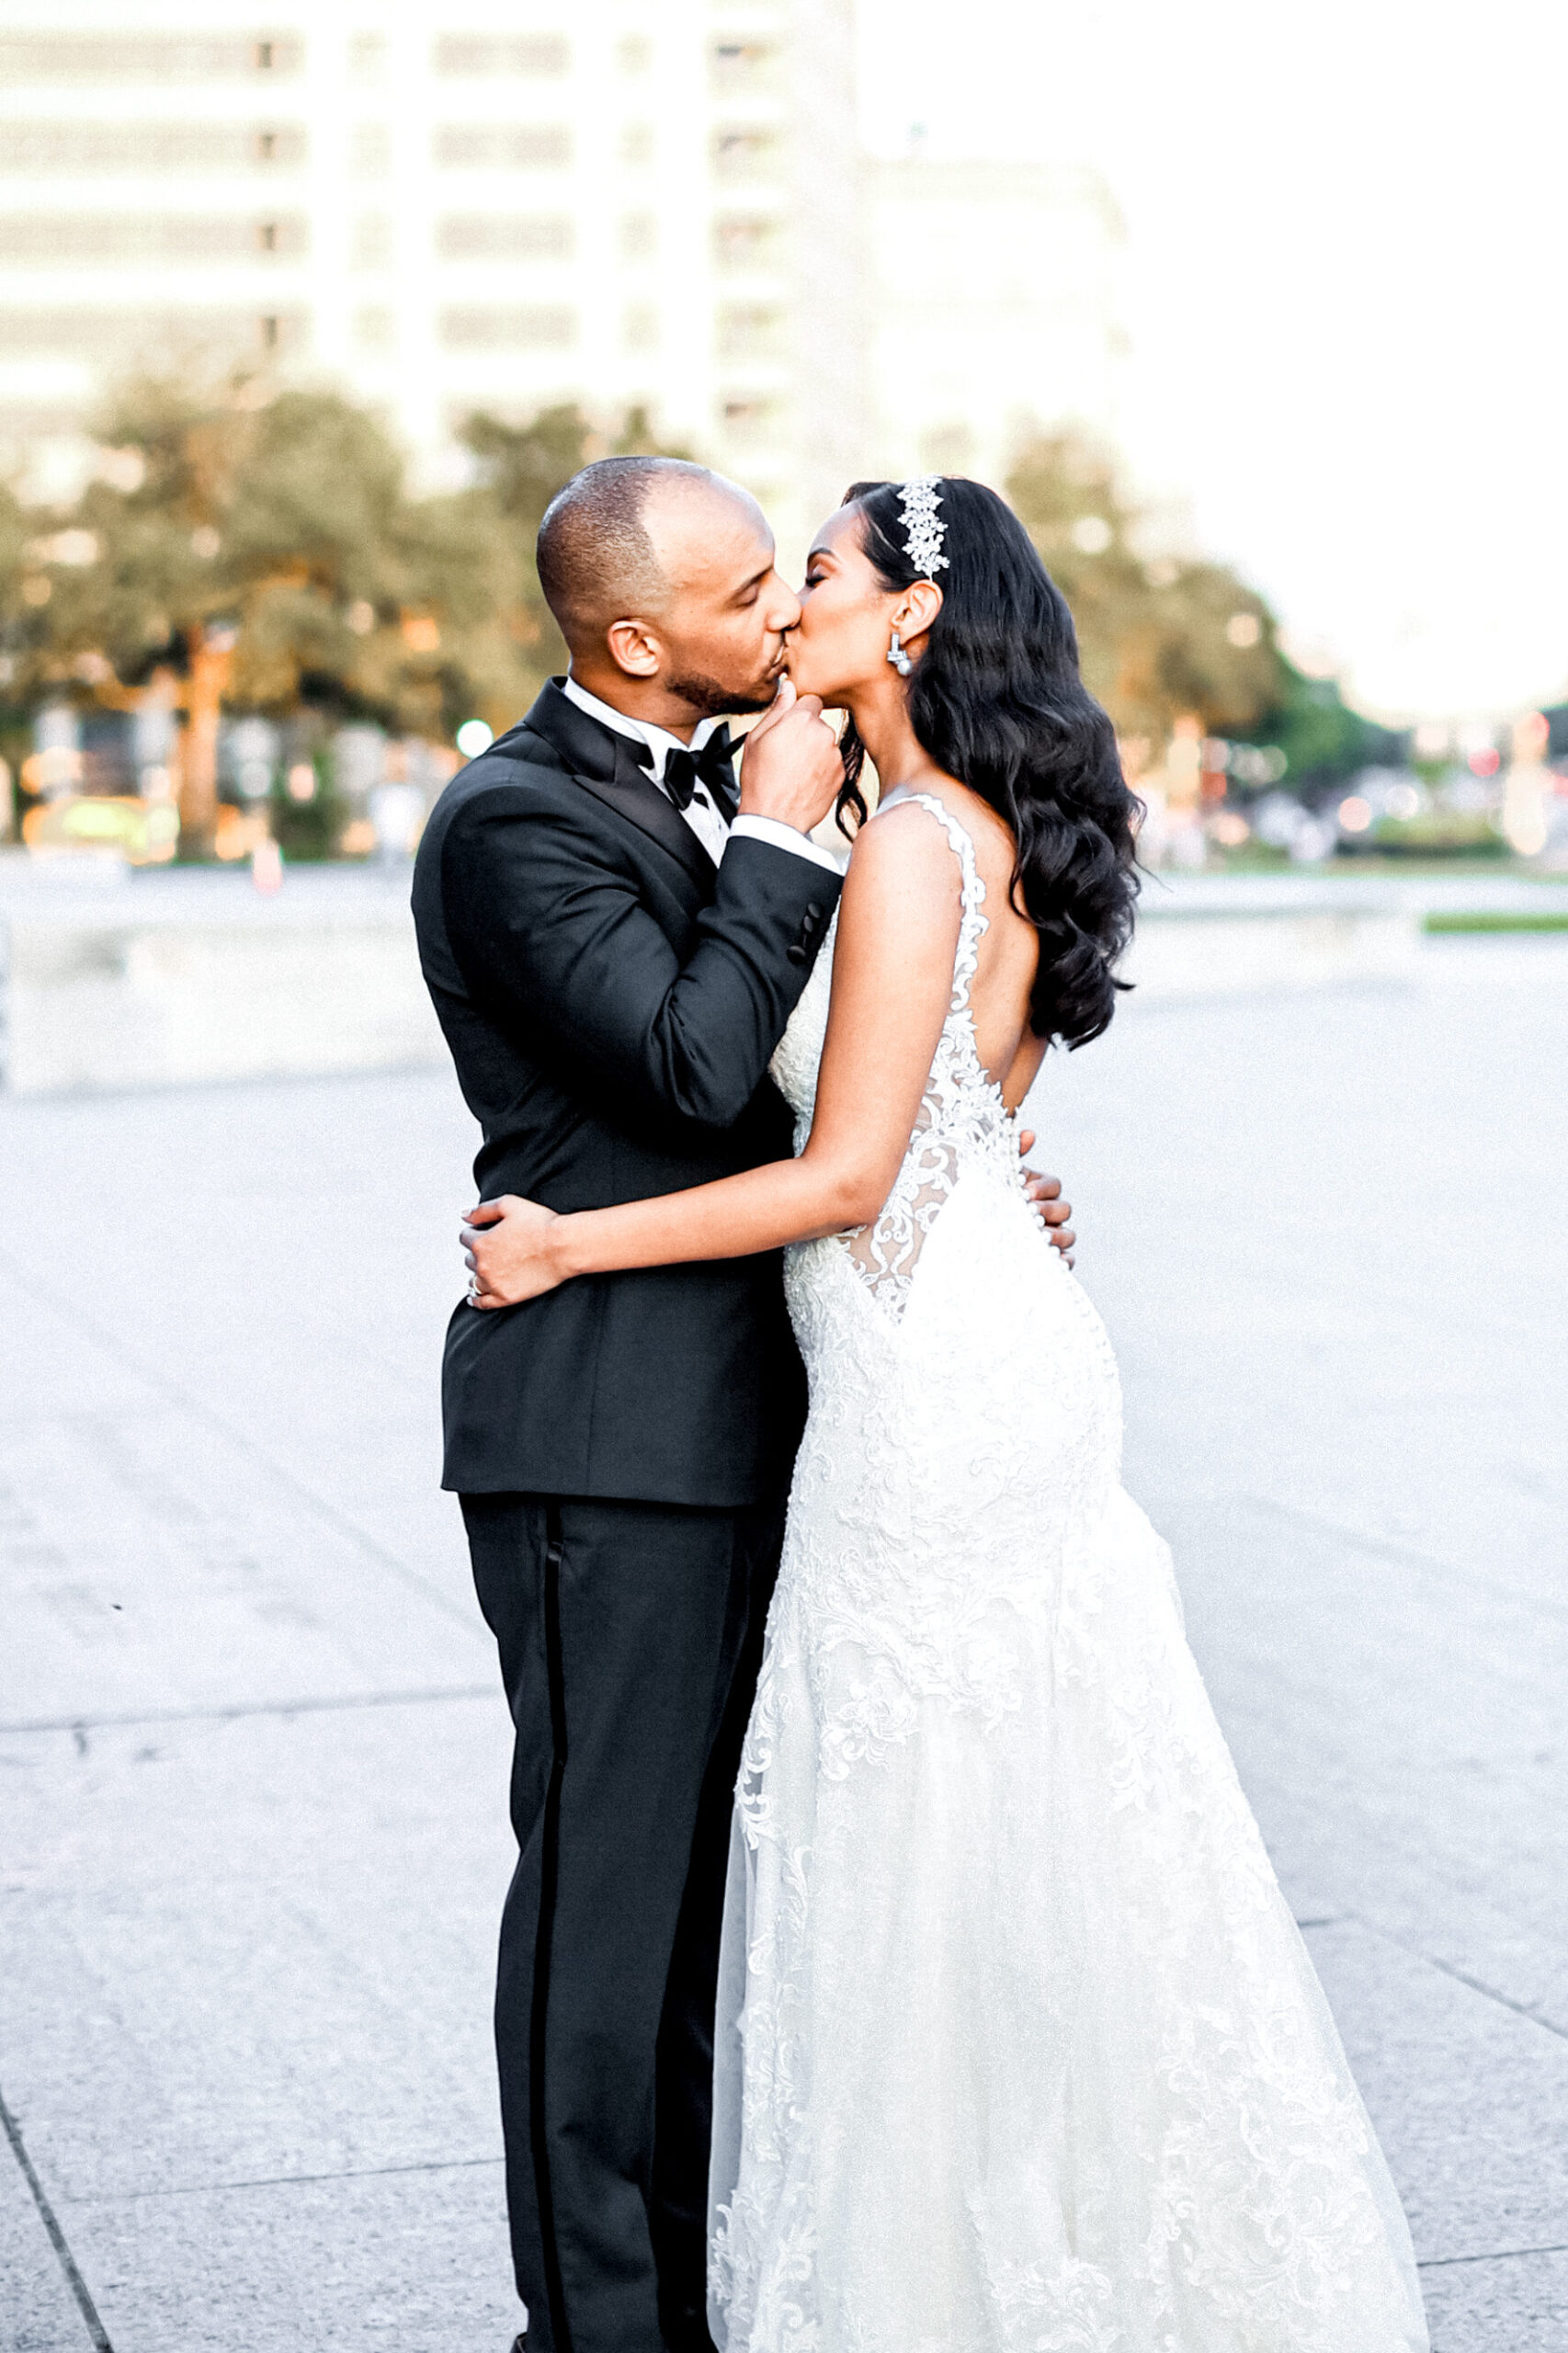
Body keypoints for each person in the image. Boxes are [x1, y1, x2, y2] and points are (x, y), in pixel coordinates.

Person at [460, 477, 1431, 2352]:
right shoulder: (983, 831)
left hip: (925, 1383)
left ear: (904, 617)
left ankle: (952, 2282)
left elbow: (841, 1174)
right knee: (1017, 1817)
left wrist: (572, 1242)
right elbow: (953, 1133)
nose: (789, 602)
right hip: (981, 1334)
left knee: (920, 1832)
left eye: (812, 572)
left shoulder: (908, 837)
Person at [411, 457, 1074, 2353]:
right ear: (636, 636)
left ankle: (706, 2296)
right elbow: (702, 1072)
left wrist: (966, 1175)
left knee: (716, 1918)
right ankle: (596, 2331)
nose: (781, 616)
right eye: (742, 596)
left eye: (795, 582)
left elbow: (840, 1101)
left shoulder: (794, 790)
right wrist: (779, 844)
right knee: (606, 1918)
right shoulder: (513, 821)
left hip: (795, 1421)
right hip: (605, 1440)